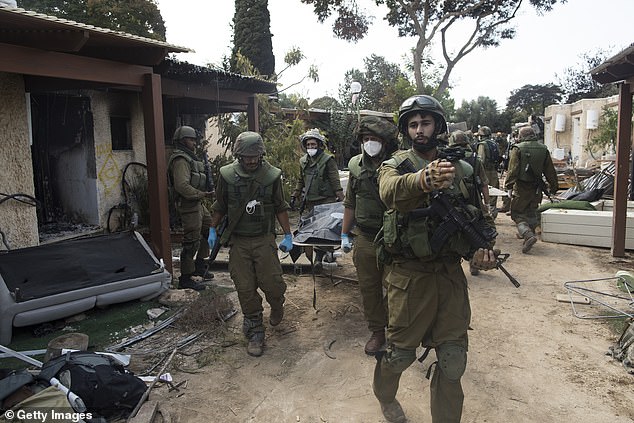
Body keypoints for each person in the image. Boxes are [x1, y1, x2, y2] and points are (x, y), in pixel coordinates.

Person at [372, 95, 497, 423]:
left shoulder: (463, 169)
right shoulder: (396, 165)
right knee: (398, 356)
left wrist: (481, 252)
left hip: (450, 277)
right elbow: (389, 191)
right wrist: (423, 180)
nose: (419, 130)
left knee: (454, 360)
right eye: (413, 124)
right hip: (409, 278)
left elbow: (477, 219)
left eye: (425, 122)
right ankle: (385, 397)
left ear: (438, 125)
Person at [208, 131, 292, 357]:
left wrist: (287, 234)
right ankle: (255, 330)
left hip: (264, 239)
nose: (252, 160)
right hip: (239, 241)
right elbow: (220, 205)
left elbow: (280, 206)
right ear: (239, 155)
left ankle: (276, 304)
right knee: (244, 288)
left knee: (273, 283)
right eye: (247, 156)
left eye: (255, 156)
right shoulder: (226, 175)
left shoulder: (271, 176)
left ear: (261, 154)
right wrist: (212, 229)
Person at [340, 116, 399, 356]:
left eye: (374, 139)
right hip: (364, 238)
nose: (370, 143)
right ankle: (377, 331)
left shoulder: (397, 166)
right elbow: (350, 202)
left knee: (397, 287)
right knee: (369, 288)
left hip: (393, 238)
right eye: (366, 139)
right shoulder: (356, 166)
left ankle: (397, 330)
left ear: (385, 142)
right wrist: (344, 233)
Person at [167, 125, 215, 292]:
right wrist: (202, 194)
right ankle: (186, 278)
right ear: (181, 141)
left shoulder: (190, 157)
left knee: (207, 230)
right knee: (191, 240)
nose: (194, 143)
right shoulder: (180, 160)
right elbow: (181, 186)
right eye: (190, 139)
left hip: (197, 203)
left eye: (194, 139)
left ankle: (200, 265)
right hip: (188, 204)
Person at [291, 128, 344, 271]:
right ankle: (323, 254)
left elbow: (335, 181)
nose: (311, 148)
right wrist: (295, 194)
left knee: (325, 230)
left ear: (319, 145)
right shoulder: (303, 161)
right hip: (310, 201)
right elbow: (301, 180)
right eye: (308, 145)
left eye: (313, 145)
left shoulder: (327, 160)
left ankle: (320, 258)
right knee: (312, 230)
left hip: (326, 201)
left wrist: (342, 201)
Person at [505, 126, 558, 254]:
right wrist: (554, 186)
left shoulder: (518, 148)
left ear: (521, 136)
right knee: (531, 212)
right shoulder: (543, 149)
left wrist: (508, 185)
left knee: (517, 213)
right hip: (536, 187)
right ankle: (529, 235)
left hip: (521, 187)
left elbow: (513, 169)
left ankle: (527, 234)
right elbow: (550, 171)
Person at [447, 130, 492, 276]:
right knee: (481, 231)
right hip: (474, 202)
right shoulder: (475, 158)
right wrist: (487, 202)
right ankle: (474, 262)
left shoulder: (446, 159)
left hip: (452, 203)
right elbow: (484, 184)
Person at [475, 126, 500, 214]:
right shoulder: (494, 144)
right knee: (493, 194)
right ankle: (493, 211)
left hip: (485, 171)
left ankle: (487, 213)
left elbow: (480, 160)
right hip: (494, 171)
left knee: (484, 192)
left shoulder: (482, 144)